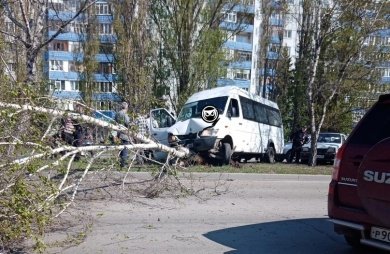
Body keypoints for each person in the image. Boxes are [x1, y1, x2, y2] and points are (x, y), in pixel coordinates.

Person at [115, 102, 131, 167]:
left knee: (120, 149)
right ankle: (124, 164)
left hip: (118, 133)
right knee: (125, 148)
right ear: (126, 107)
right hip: (124, 133)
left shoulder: (117, 113)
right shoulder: (124, 114)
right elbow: (127, 123)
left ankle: (121, 163)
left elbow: (115, 122)